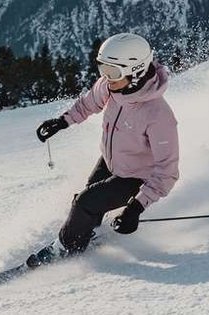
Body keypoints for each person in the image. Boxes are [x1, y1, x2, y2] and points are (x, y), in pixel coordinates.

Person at [27, 32, 179, 266]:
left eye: (113, 72)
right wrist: (62, 121)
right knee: (87, 197)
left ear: (136, 72)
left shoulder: (158, 114)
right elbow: (89, 103)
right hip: (111, 161)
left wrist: (136, 208)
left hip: (136, 177)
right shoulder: (113, 87)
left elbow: (167, 172)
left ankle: (66, 249)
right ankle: (86, 231)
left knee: (85, 202)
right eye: (102, 68)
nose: (106, 78)